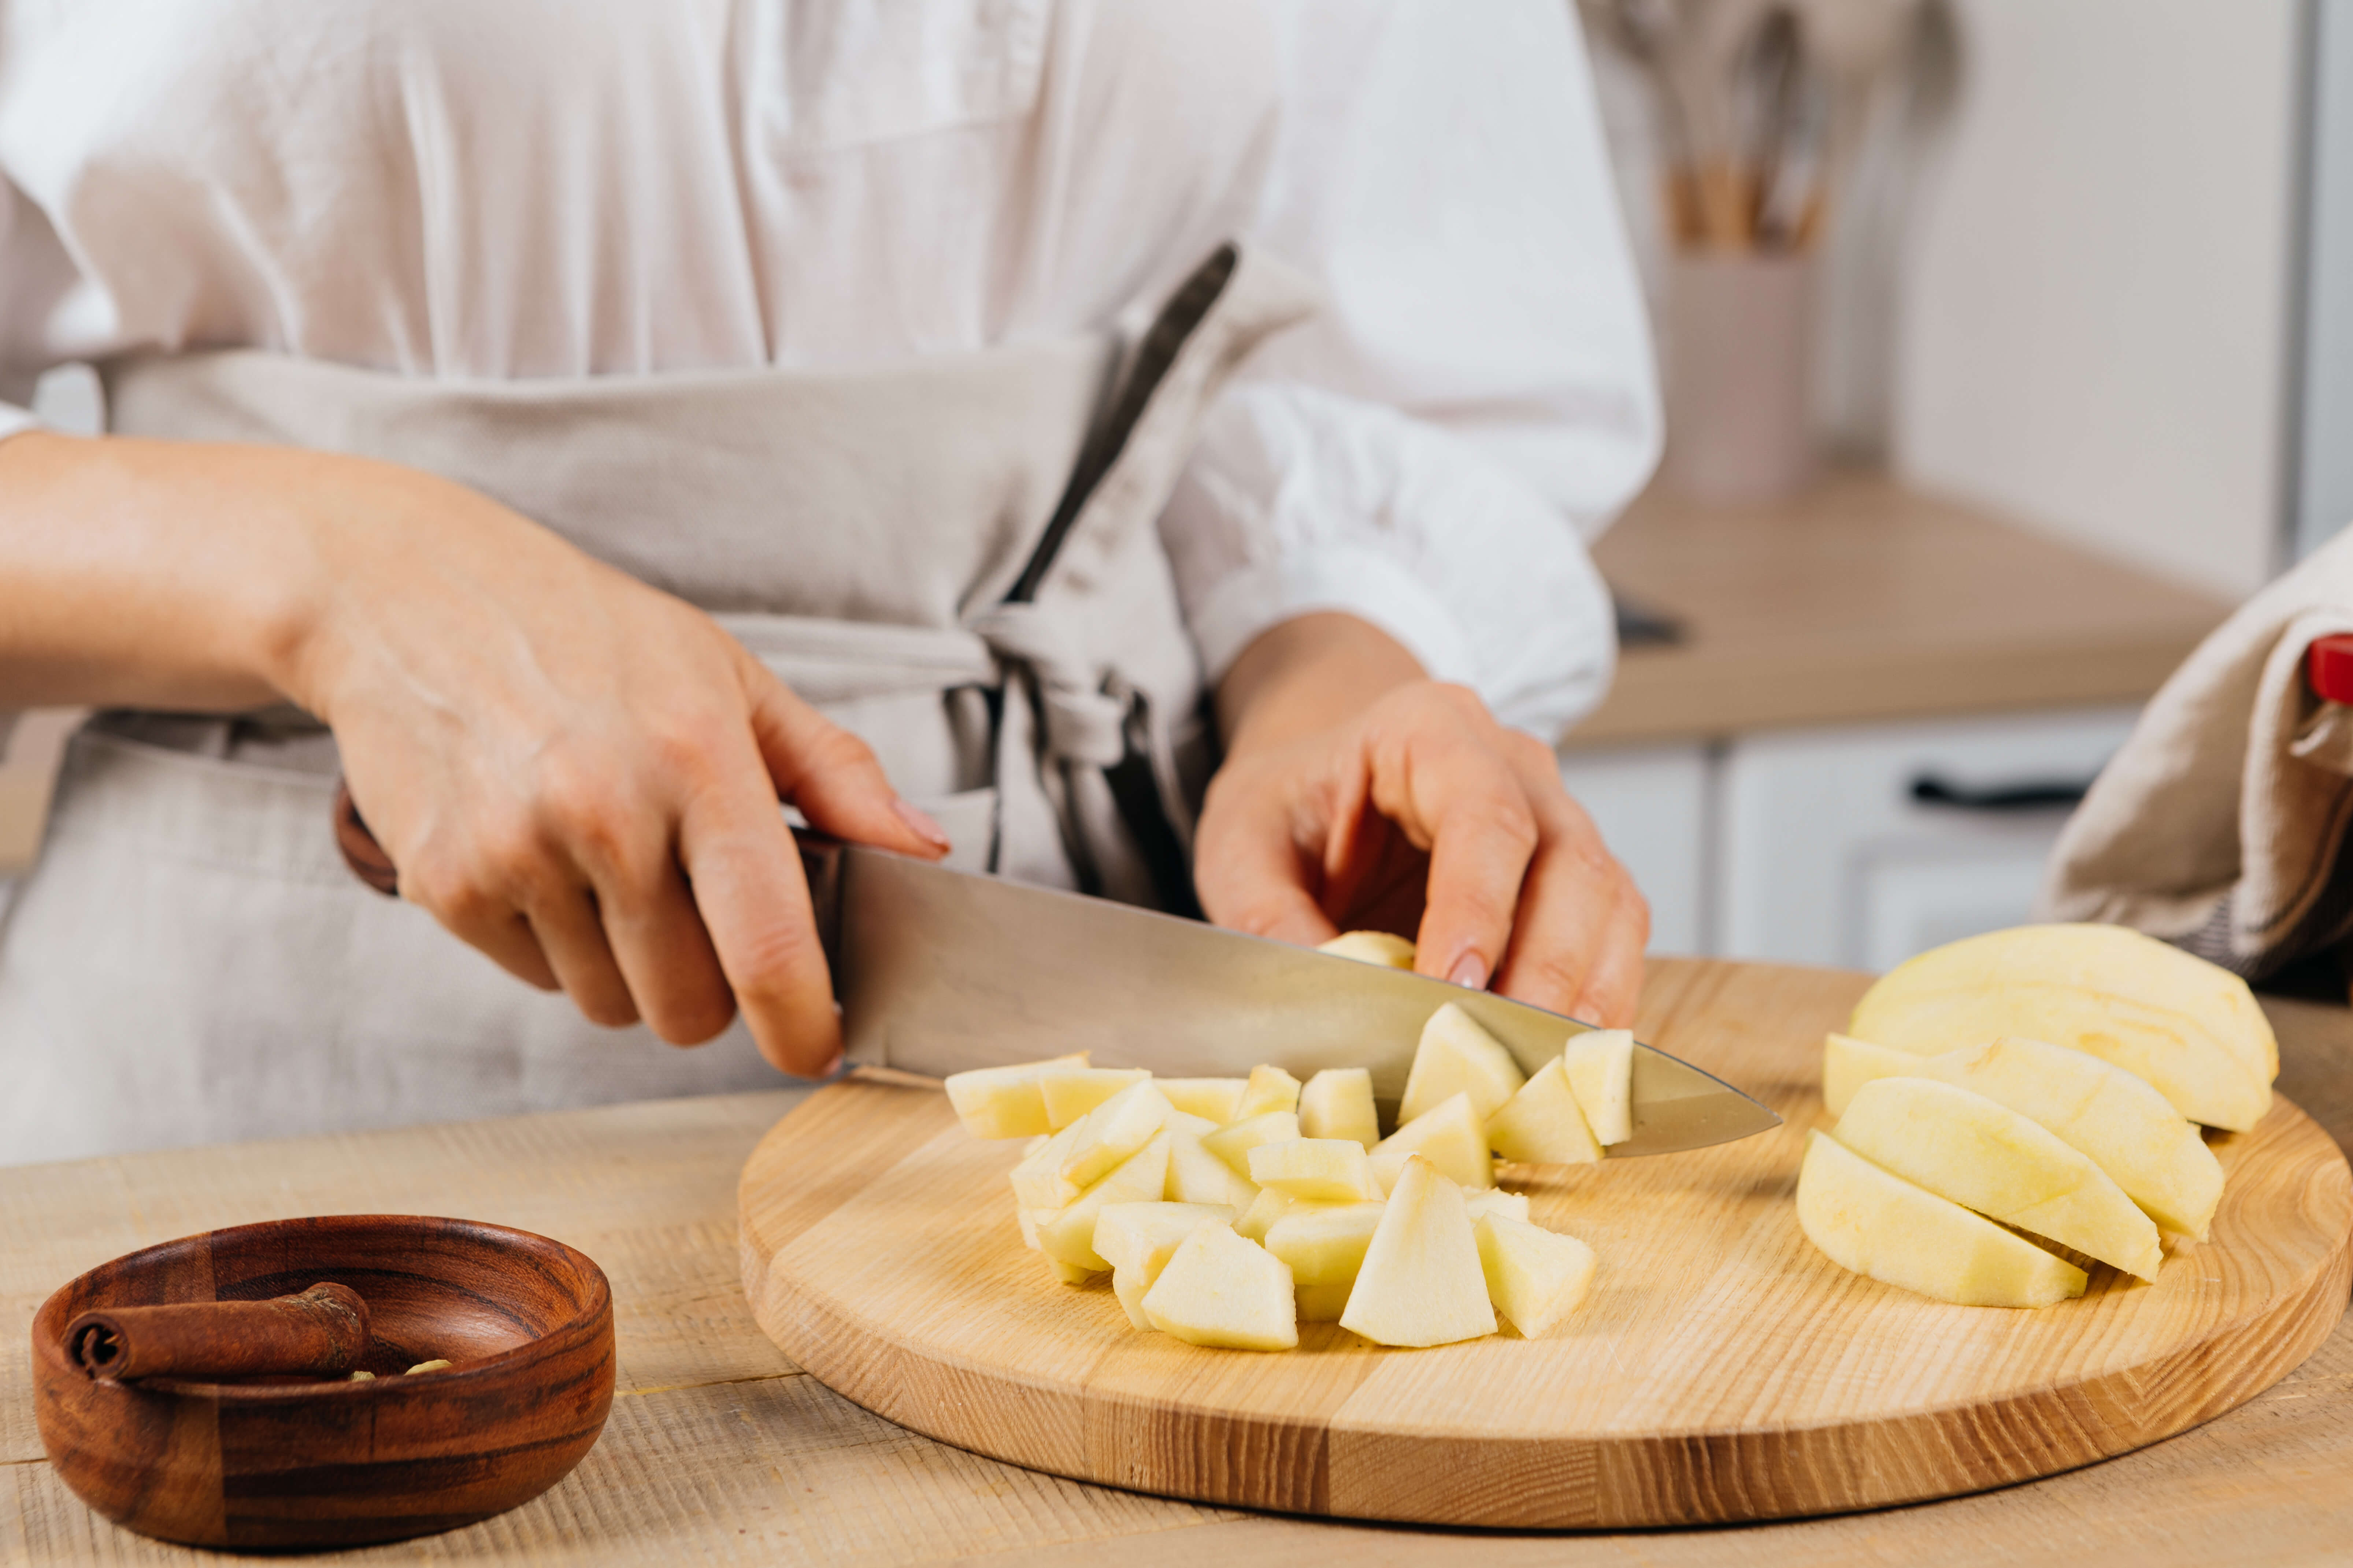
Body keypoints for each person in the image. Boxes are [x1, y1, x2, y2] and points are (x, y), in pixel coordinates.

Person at [0, 0, 1660, 1165]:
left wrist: (1337, 686)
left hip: (1115, 1029)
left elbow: (1409, 337)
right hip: (261, 1093)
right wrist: (341, 573)